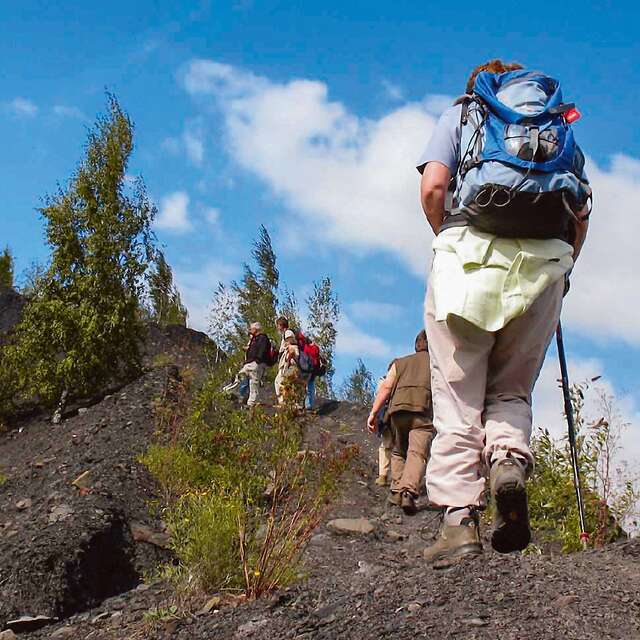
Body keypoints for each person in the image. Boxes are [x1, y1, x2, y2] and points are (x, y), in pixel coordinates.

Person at [417, 60, 591, 562]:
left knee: (457, 393)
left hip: (465, 263)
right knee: (512, 388)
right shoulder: (556, 128)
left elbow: (433, 189)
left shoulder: (460, 116)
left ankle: (458, 523)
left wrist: (448, 239)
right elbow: (580, 211)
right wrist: (564, 266)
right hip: (543, 270)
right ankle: (508, 465)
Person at [367, 330, 434, 515]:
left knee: (398, 451)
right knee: (417, 452)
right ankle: (408, 491)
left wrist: (373, 413)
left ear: (416, 344)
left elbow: (387, 387)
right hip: (423, 411)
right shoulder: (438, 364)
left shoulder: (400, 362)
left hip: (397, 412)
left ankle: (396, 491)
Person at [240, 322, 270, 406]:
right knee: (240, 377)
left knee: (254, 383)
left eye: (251, 328)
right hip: (249, 363)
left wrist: (257, 360)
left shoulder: (262, 338)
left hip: (256, 363)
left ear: (255, 329)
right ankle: (230, 393)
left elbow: (262, 350)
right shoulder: (254, 339)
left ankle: (252, 403)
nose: (250, 330)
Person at [274, 316, 299, 405]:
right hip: (289, 362)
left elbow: (291, 345)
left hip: (288, 363)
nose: (277, 327)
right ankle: (290, 404)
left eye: (278, 325)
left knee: (279, 382)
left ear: (281, 325)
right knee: (286, 383)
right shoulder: (287, 333)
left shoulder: (287, 333)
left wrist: (288, 360)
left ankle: (284, 403)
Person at [302, 336, 321, 411]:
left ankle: (305, 404)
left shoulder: (306, 348)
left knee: (304, 386)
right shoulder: (315, 347)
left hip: (306, 369)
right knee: (311, 387)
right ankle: (309, 404)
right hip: (314, 369)